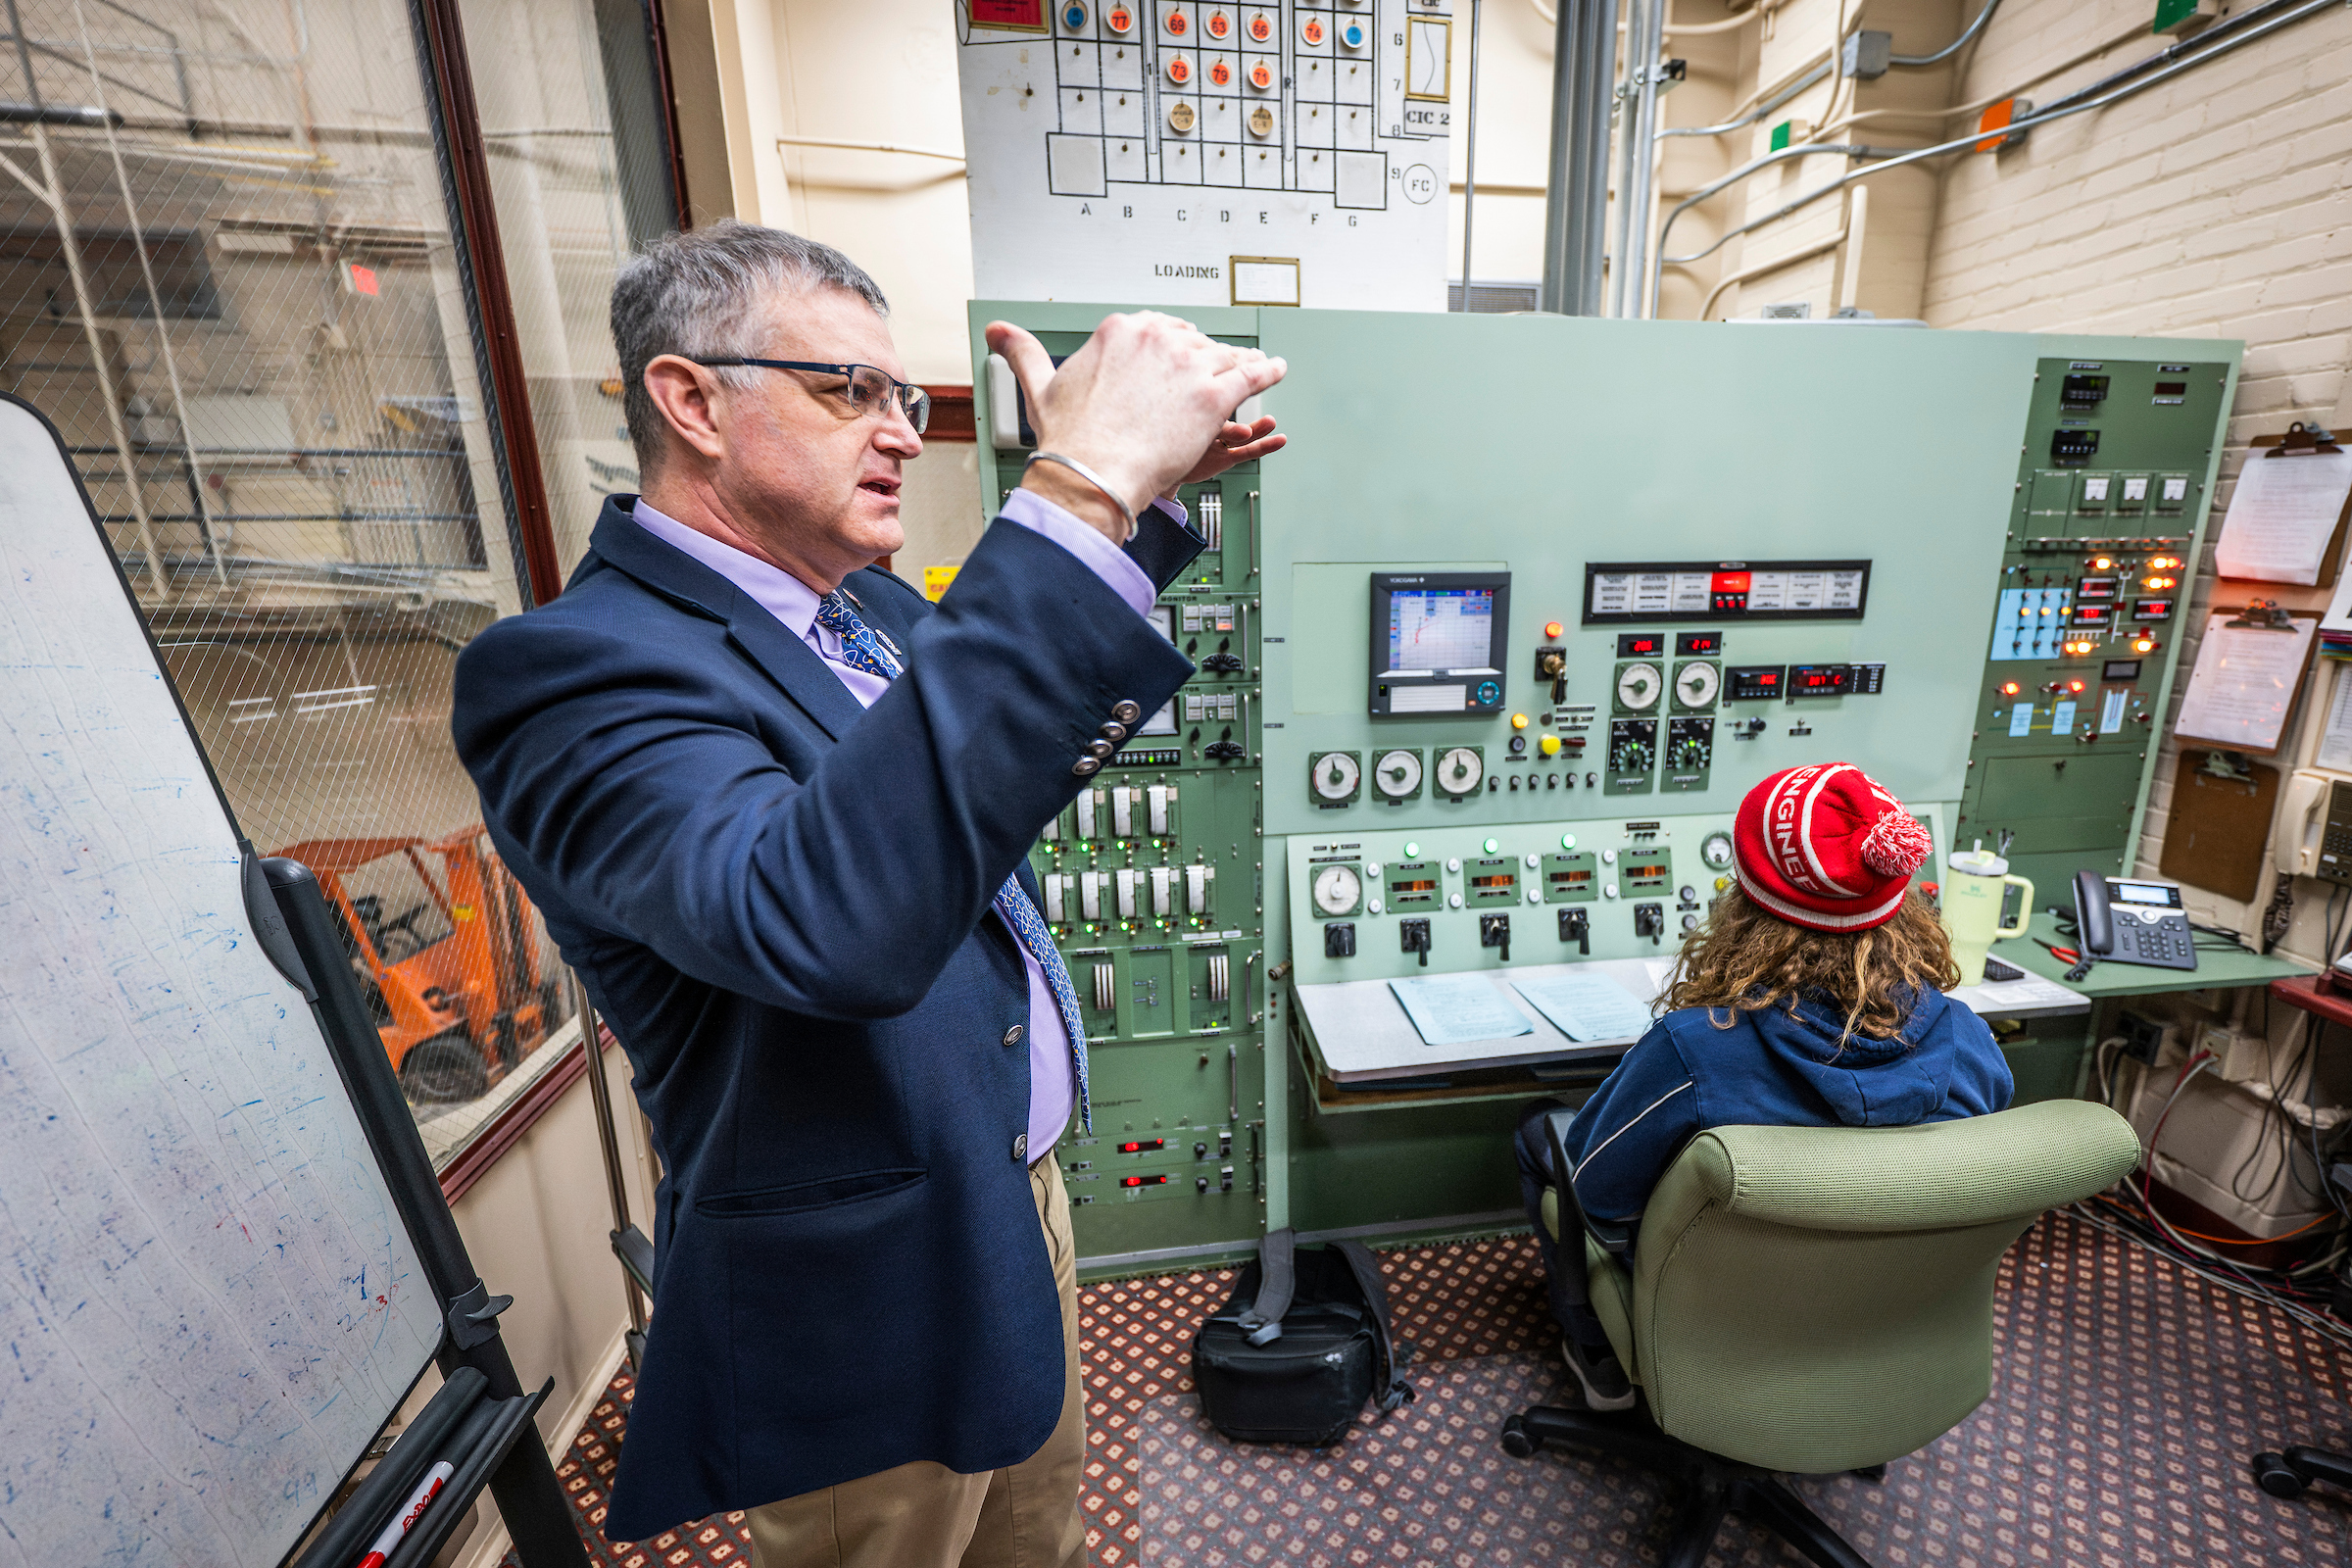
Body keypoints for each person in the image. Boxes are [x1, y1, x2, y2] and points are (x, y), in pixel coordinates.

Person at [451, 220, 1285, 1567]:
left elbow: (983, 776)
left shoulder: (874, 614)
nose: (901, 432)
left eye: (904, 398)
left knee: (1035, 1542)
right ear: (690, 401)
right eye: (852, 391)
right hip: (867, 1273)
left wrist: (1134, 501)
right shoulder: (570, 676)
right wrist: (1071, 494)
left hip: (1007, 1193)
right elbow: (824, 922)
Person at [1514, 761, 2014, 1410]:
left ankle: (1599, 1355)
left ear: (1748, 904)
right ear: (1903, 909)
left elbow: (1598, 1194)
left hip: (1719, 1311)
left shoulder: (1696, 1049)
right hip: (1880, 1312)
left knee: (1541, 1134)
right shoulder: (1971, 1039)